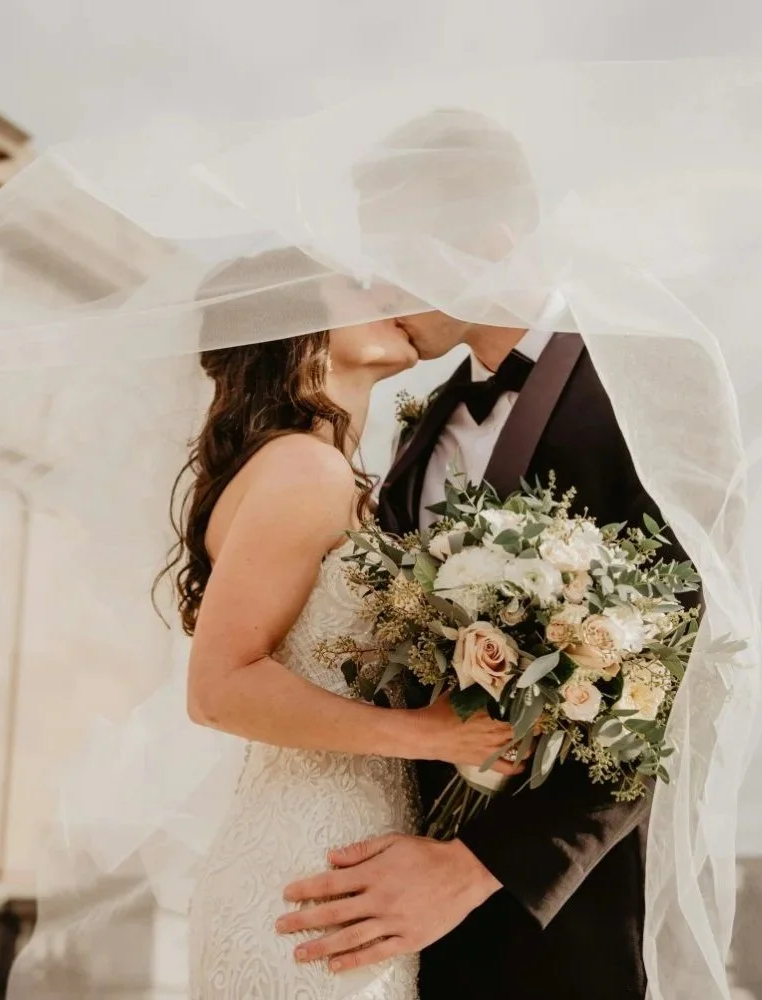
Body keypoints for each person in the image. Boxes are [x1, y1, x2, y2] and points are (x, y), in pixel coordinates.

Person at [276, 109, 685, 1000]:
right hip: (387, 906)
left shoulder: (652, 382)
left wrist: (476, 868)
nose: (378, 286)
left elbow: (682, 665)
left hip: (556, 919)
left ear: (490, 242)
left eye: (397, 256)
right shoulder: (420, 436)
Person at [178, 253, 522, 999]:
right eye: (361, 285)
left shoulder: (329, 470)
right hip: (310, 870)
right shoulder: (304, 469)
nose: (396, 292)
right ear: (298, 326)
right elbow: (217, 687)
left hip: (346, 858)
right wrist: (431, 735)